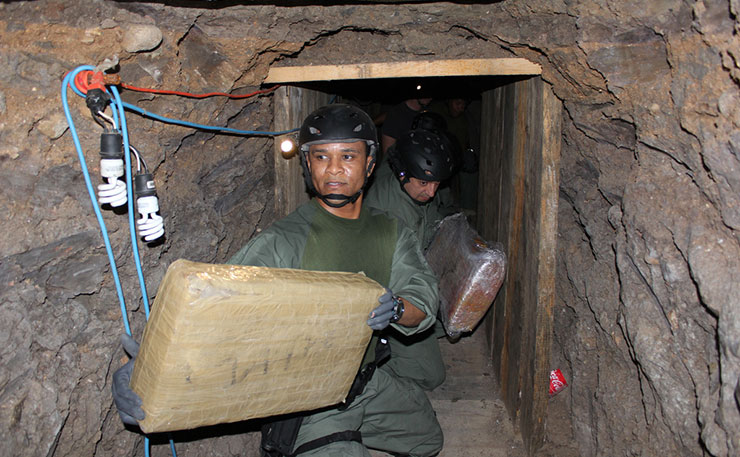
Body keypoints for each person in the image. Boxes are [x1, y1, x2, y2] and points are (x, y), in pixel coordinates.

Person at [111, 104, 443, 457]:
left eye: (348, 156)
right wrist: (140, 369)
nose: (333, 169)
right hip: (312, 399)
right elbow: (211, 311)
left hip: (364, 379)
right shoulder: (284, 241)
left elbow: (424, 300)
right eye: (320, 157)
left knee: (428, 441)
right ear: (307, 165)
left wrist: (395, 309)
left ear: (370, 164)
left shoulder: (390, 231)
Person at [363, 128, 457, 392]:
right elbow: (395, 278)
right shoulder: (391, 214)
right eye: (425, 183)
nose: (431, 192)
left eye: (437, 184)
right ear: (403, 172)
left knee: (448, 323)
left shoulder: (407, 185)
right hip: (382, 303)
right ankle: (368, 362)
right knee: (430, 374)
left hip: (402, 286)